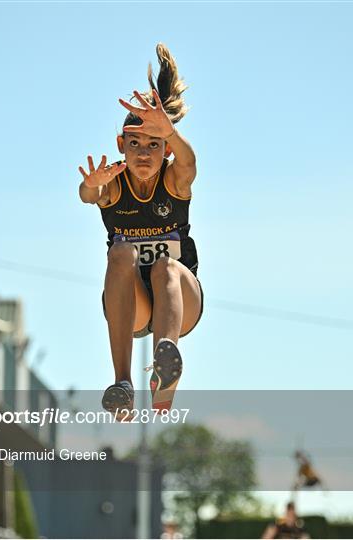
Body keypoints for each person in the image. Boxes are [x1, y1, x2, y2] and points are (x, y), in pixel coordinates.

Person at [78, 44, 203, 418]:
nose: (144, 154)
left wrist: (173, 135)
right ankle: (122, 383)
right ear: (122, 145)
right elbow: (90, 195)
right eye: (135, 144)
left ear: (165, 149)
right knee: (120, 252)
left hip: (179, 301)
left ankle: (165, 367)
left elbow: (190, 161)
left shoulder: (175, 179)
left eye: (154, 145)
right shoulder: (114, 181)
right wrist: (90, 186)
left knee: (165, 266)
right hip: (130, 304)